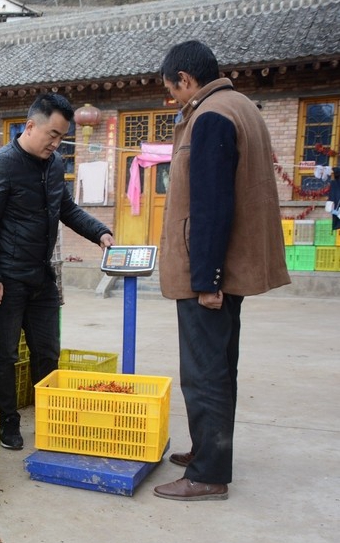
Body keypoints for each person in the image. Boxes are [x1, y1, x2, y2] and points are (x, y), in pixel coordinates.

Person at [154, 40, 291, 501]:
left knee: (204, 372)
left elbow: (212, 206)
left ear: (186, 81)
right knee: (219, 367)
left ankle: (209, 475)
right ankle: (206, 451)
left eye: (171, 90)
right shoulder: (239, 106)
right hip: (224, 268)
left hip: (209, 273)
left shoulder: (211, 114)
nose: (172, 99)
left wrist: (206, 280)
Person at [0, 93, 114, 450]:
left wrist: (98, 231)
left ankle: (50, 419)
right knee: (5, 352)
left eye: (62, 137)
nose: (56, 142)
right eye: (52, 134)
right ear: (31, 125)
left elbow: (66, 207)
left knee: (48, 352)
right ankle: (9, 422)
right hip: (7, 279)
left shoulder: (53, 165)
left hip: (42, 276)